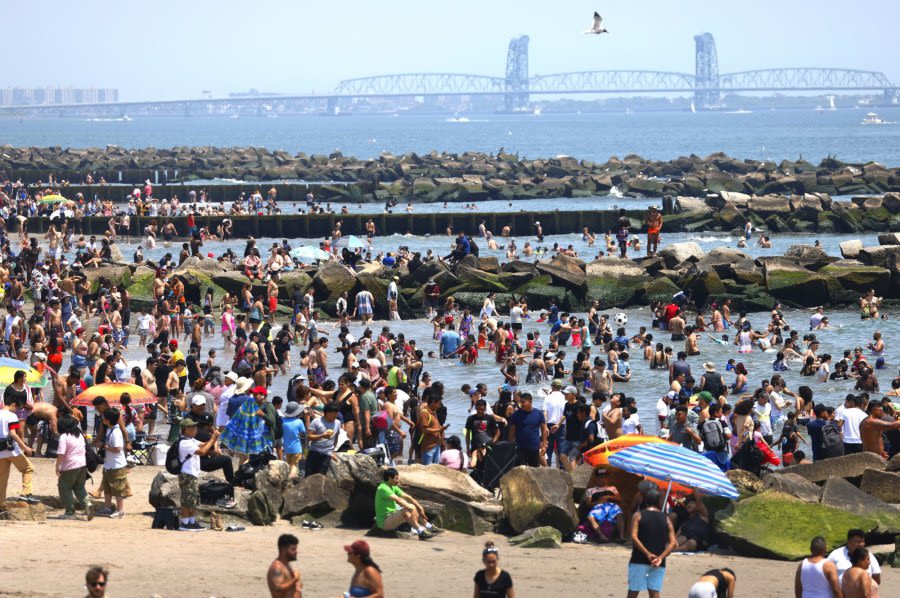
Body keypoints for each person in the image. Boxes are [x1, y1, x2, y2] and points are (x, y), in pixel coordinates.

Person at [628, 490, 677, 598]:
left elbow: (634, 537)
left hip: (638, 560)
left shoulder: (638, 515)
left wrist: (648, 554)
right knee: (654, 592)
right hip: (659, 563)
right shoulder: (666, 518)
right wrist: (660, 558)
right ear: (659, 501)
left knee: (633, 592)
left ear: (645, 501)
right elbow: (673, 543)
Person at [177, 417, 220, 531]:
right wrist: (213, 439)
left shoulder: (191, 440)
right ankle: (185, 523)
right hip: (187, 474)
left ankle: (192, 521)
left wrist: (213, 437)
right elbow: (202, 452)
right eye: (193, 427)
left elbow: (204, 444)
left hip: (192, 474)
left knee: (193, 499)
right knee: (187, 499)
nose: (196, 429)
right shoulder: (184, 442)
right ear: (186, 430)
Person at [374, 467, 436, 540]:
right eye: (396, 478)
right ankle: (421, 531)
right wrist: (412, 508)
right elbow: (399, 500)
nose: (398, 481)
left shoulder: (392, 486)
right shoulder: (383, 488)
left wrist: (419, 507)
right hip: (384, 522)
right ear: (390, 478)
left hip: (392, 516)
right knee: (407, 510)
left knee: (412, 506)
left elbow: (408, 497)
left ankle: (429, 526)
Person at [55, 414, 93, 520]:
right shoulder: (79, 435)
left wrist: (58, 466)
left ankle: (70, 512)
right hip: (82, 465)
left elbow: (61, 454)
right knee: (79, 487)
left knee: (64, 487)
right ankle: (88, 505)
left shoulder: (64, 437)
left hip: (70, 466)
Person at [0, 394, 36, 508]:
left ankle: (1, 504)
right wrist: (25, 447)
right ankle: (26, 494)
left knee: (2, 479)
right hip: (12, 450)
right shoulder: (12, 416)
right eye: (17, 407)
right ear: (13, 404)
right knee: (28, 468)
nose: (16, 410)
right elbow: (12, 434)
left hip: (0, 452)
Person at [98, 408, 129, 519]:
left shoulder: (115, 432)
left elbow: (117, 448)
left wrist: (104, 446)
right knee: (107, 488)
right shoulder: (110, 429)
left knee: (118, 489)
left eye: (104, 417)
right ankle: (107, 508)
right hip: (109, 464)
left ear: (108, 419)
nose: (102, 419)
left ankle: (120, 510)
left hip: (117, 465)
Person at [507, 392, 548, 467]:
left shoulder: (539, 413)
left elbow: (544, 430)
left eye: (523, 402)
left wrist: (544, 446)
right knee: (521, 471)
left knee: (534, 470)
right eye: (520, 402)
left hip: (534, 447)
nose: (521, 404)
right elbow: (512, 430)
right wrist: (510, 445)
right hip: (520, 447)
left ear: (530, 401)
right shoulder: (516, 414)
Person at [305, 401, 341, 477]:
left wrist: (333, 451)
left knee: (321, 478)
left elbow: (336, 437)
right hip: (314, 452)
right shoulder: (316, 422)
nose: (337, 414)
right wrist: (322, 436)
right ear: (328, 413)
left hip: (327, 454)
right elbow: (309, 437)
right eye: (335, 412)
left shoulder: (337, 423)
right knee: (309, 477)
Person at [267, 534, 302, 598]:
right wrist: (295, 579)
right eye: (293, 549)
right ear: (283, 550)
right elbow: (278, 591)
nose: (296, 552)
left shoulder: (287, 565)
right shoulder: (277, 568)